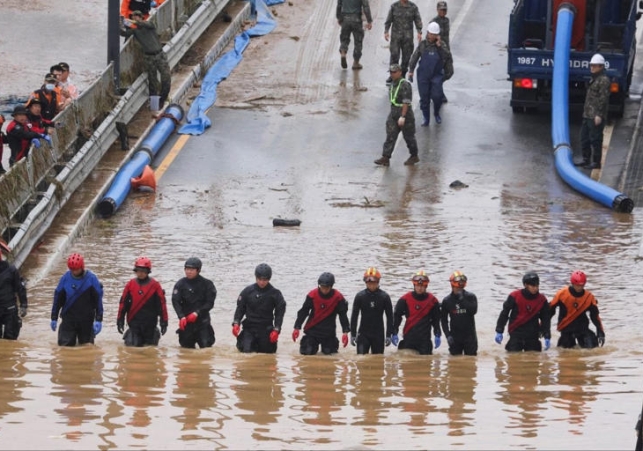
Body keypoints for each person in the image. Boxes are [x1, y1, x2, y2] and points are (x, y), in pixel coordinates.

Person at [120, 10, 172, 108]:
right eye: (133, 17)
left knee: (166, 77)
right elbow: (124, 33)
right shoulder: (135, 31)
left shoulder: (149, 25)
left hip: (159, 55)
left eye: (137, 16)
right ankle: (154, 105)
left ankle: (163, 98)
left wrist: (134, 22)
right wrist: (119, 24)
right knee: (152, 81)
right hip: (149, 57)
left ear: (141, 17)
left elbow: (146, 24)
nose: (135, 18)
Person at [50, 253, 104, 347]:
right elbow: (58, 298)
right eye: (72, 270)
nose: (74, 272)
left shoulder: (91, 279)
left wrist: (99, 319)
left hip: (86, 320)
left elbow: (98, 300)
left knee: (87, 347)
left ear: (82, 267)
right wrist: (54, 317)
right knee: (65, 347)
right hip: (69, 319)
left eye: (76, 269)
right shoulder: (65, 279)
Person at [232, 263, 286, 353]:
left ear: (269, 278)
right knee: (246, 351)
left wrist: (277, 329)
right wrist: (236, 323)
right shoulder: (247, 291)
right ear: (256, 277)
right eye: (259, 279)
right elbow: (240, 309)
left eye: (264, 280)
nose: (261, 282)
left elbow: (279, 314)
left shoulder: (275, 294)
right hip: (249, 328)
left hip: (265, 328)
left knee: (267, 353)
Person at [292, 272, 350, 355]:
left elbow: (343, 316)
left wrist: (345, 332)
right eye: (322, 287)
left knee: (330, 356)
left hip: (328, 333)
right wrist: (297, 327)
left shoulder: (338, 298)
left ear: (331, 286)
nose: (324, 290)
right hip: (312, 331)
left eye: (327, 288)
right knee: (307, 353)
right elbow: (304, 311)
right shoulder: (312, 295)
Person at [117, 257, 169, 347]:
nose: (140, 273)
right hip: (134, 323)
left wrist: (164, 322)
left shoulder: (155, 285)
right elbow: (123, 303)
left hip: (150, 323)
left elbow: (162, 305)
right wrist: (120, 320)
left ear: (148, 271)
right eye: (138, 270)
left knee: (150, 349)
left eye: (143, 271)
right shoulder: (130, 284)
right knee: (133, 349)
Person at [408, 22, 453, 125]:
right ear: (427, 33)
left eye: (434, 34)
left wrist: (439, 46)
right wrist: (411, 71)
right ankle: (426, 118)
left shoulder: (442, 45)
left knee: (437, 97)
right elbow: (415, 57)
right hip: (423, 76)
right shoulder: (423, 44)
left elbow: (447, 56)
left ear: (438, 35)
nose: (432, 36)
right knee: (424, 98)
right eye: (430, 33)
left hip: (436, 76)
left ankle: (436, 113)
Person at [374, 64, 420, 166]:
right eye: (391, 72)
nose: (392, 74)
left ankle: (414, 156)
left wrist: (403, 116)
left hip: (405, 114)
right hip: (394, 112)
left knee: (409, 137)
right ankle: (386, 157)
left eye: (394, 72)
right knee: (390, 135)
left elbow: (406, 102)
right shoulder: (393, 83)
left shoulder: (405, 85)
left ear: (400, 72)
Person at [495, 271, 551, 352]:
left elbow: (545, 319)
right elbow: (505, 313)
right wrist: (499, 331)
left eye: (537, 285)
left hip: (533, 335)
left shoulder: (542, 300)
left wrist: (547, 335)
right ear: (525, 285)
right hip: (516, 333)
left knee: (534, 361)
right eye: (533, 286)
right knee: (513, 360)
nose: (536, 288)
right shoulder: (514, 296)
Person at [549, 270, 605, 348]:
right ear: (572, 283)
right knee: (564, 352)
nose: (580, 288)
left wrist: (600, 331)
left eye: (582, 285)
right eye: (577, 285)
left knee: (592, 347)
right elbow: (549, 311)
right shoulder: (562, 294)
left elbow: (595, 316)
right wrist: (544, 328)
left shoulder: (589, 297)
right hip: (566, 329)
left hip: (582, 328)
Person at [391, 269, 441, 355]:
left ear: (426, 286)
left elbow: (436, 320)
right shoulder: (405, 299)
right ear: (414, 285)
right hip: (408, 338)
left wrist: (437, 334)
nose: (420, 288)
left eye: (422, 285)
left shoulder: (433, 301)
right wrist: (394, 332)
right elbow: (397, 316)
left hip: (424, 340)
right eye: (418, 285)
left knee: (426, 364)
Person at [171, 257, 216, 348]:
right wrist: (181, 316)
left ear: (198, 270)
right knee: (186, 351)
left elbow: (210, 303)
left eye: (191, 269)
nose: (189, 272)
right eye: (187, 269)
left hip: (203, 322)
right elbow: (175, 301)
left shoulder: (207, 284)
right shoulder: (180, 284)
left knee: (206, 350)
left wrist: (197, 313)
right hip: (186, 323)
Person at [575, 53, 610, 170]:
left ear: (601, 67)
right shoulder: (594, 79)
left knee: (596, 139)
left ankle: (596, 162)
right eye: (591, 65)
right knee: (584, 137)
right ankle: (586, 159)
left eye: (594, 66)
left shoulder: (603, 81)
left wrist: (599, 115)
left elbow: (603, 99)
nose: (592, 68)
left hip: (595, 115)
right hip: (587, 114)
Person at [350, 267, 393, 355]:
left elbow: (390, 317)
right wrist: (353, 334)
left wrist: (388, 335)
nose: (371, 285)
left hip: (378, 334)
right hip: (363, 334)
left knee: (378, 362)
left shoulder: (384, 297)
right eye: (369, 283)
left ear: (378, 282)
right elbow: (354, 316)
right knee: (361, 360)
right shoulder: (360, 296)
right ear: (365, 282)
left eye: (373, 283)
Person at [383, 0, 423, 82]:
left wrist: (419, 31)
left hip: (407, 38)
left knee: (406, 57)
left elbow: (417, 20)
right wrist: (386, 31)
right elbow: (389, 20)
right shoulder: (394, 6)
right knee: (394, 56)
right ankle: (393, 75)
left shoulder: (413, 7)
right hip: (396, 37)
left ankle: (403, 74)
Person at [440, 270, 478, 356]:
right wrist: (448, 335)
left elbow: (473, 311)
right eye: (457, 288)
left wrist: (462, 300)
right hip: (455, 337)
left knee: (471, 362)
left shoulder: (471, 297)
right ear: (452, 286)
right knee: (454, 364)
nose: (459, 290)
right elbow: (443, 321)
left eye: (461, 288)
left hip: (470, 336)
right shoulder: (447, 301)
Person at [0, 240, 27, 340]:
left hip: (10, 310)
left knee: (10, 338)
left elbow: (20, 288)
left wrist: (24, 305)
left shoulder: (11, 270)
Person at [336, 0, 373, 70]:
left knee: (344, 39)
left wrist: (339, 17)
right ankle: (356, 62)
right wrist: (369, 20)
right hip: (357, 20)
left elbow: (339, 5)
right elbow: (366, 7)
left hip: (345, 19)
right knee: (358, 42)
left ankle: (343, 52)